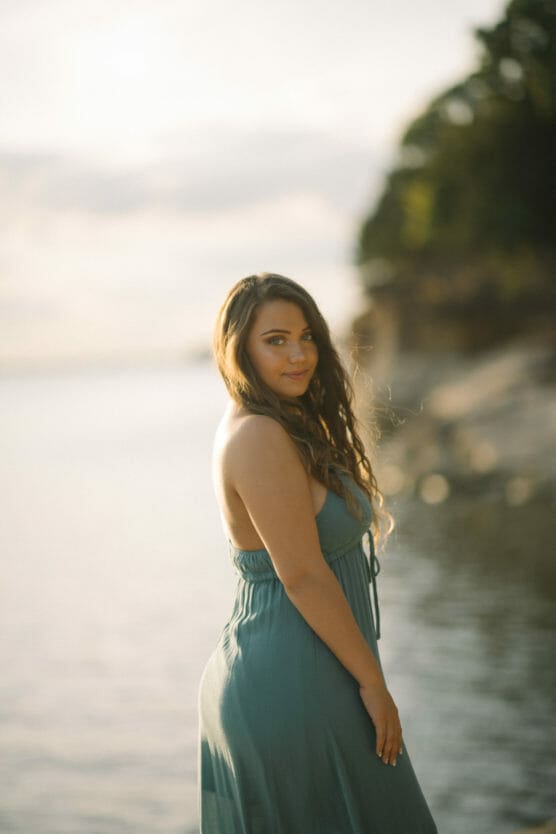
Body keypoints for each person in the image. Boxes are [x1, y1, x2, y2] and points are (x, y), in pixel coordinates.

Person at [197, 273, 438, 833]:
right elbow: (303, 575)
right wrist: (374, 686)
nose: (299, 354)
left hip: (308, 665)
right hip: (295, 678)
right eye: (275, 340)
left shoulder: (271, 422)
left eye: (306, 336)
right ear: (240, 348)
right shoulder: (257, 434)